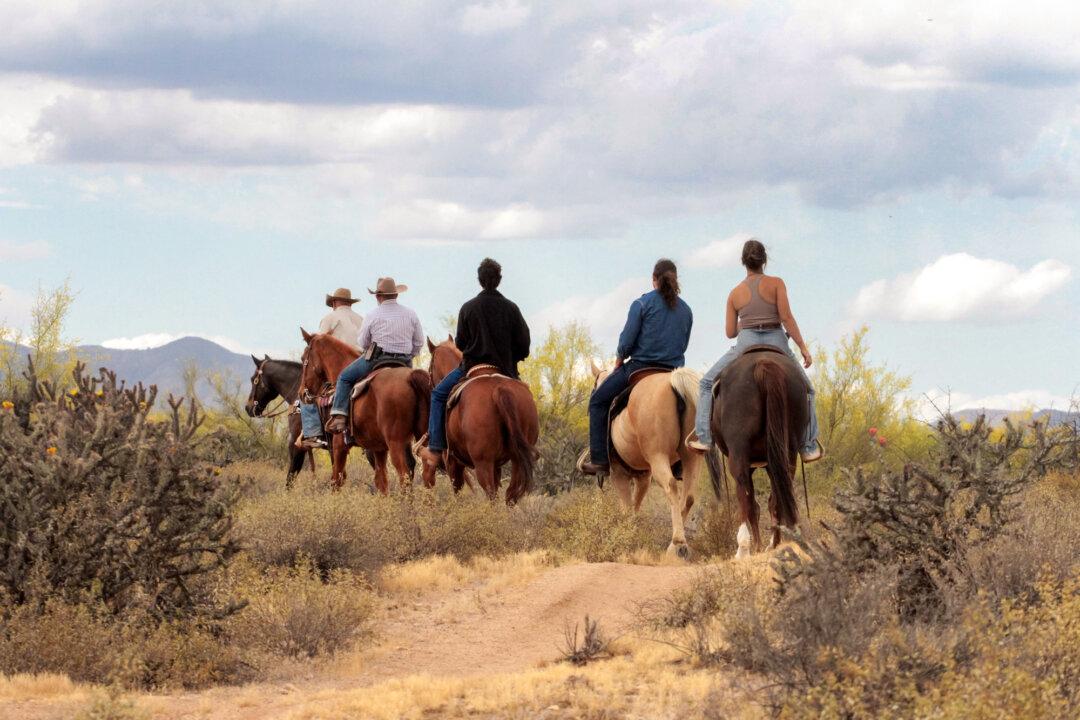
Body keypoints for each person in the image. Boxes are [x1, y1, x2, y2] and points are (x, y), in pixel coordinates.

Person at [685, 238, 822, 462]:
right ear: (764, 261)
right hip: (777, 339)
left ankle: (705, 437)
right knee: (808, 390)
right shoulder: (777, 283)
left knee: (707, 383)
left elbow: (730, 332)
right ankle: (807, 445)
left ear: (744, 263)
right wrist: (803, 348)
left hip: (746, 341)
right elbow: (786, 317)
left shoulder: (735, 293)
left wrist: (747, 322)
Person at [580, 259, 693, 476]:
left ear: (654, 280)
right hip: (674, 374)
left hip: (640, 368)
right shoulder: (686, 310)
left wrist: (620, 358)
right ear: (675, 280)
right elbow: (684, 344)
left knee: (598, 401)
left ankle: (600, 461)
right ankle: (678, 464)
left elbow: (627, 342)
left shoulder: (641, 304)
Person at [420, 258, 531, 465]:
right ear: (499, 279)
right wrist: (513, 358)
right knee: (526, 397)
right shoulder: (512, 308)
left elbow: (460, 343)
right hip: (505, 369)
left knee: (437, 395)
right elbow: (524, 344)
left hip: (471, 368)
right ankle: (530, 445)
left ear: (479, 280)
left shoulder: (468, 308)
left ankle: (435, 449)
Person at [324, 277, 424, 434]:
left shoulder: (372, 314)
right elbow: (419, 342)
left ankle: (340, 417)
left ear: (378, 296)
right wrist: (409, 355)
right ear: (396, 295)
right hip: (405, 362)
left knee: (344, 377)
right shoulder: (411, 314)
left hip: (378, 359)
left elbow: (363, 342)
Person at [297, 288, 364, 448]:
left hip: (339, 368)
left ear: (334, 302)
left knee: (306, 391)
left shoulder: (329, 318)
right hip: (362, 364)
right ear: (350, 303)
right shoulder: (361, 319)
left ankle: (312, 434)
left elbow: (320, 345)